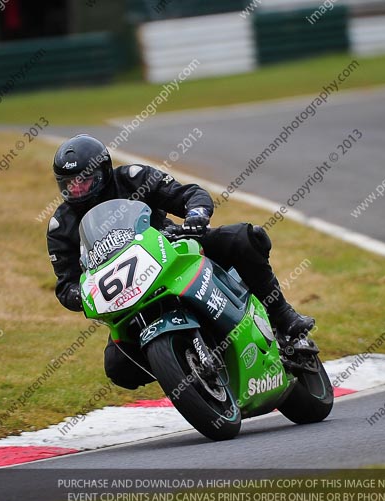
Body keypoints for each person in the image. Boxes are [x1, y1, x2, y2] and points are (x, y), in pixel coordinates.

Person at [47, 135, 314, 389]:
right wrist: (81, 294)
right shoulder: (61, 226)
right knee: (118, 368)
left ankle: (282, 315)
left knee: (244, 238)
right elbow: (66, 284)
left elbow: (188, 194)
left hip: (172, 250)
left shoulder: (133, 178)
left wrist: (196, 214)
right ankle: (178, 365)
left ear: (104, 171)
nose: (78, 189)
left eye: (85, 180)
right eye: (70, 184)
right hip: (126, 294)